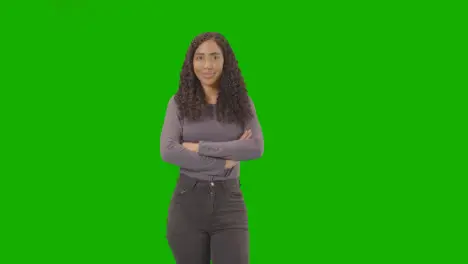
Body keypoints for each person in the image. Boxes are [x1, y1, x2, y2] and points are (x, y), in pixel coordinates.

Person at [160, 32, 264, 264]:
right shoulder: (178, 103)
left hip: (230, 203)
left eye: (215, 57)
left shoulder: (242, 102)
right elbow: (168, 150)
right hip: (187, 205)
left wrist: (199, 148)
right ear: (191, 63)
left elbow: (255, 147)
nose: (207, 65)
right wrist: (225, 160)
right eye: (200, 57)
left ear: (225, 61)